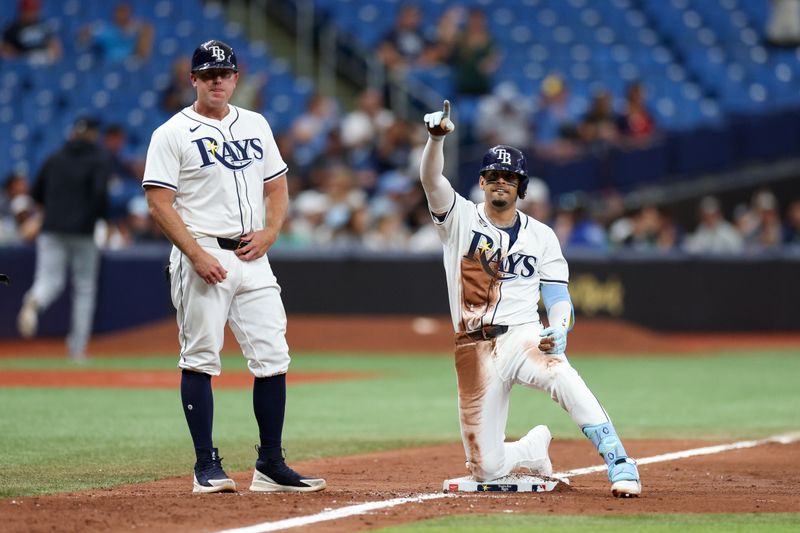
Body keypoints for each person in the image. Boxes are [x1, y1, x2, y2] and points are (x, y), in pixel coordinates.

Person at [419, 100, 641, 498]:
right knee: (485, 468)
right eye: (493, 175)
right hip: (473, 348)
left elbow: (558, 297)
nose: (500, 181)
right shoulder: (460, 219)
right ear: (482, 182)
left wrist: (557, 328)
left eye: (509, 176)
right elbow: (432, 180)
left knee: (561, 374)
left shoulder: (542, 235)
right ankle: (531, 447)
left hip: (522, 336)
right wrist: (435, 141)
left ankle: (620, 460)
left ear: (521, 186)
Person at [142, 39, 326, 494]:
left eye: (223, 73)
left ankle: (270, 464)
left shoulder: (256, 124)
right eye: (207, 74)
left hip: (253, 253)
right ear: (194, 80)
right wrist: (196, 254)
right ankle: (205, 465)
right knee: (201, 357)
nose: (216, 81)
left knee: (273, 357)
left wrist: (271, 232)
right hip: (202, 252)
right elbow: (158, 202)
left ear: (236, 78)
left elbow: (278, 188)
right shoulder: (171, 132)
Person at [17, 117, 111, 361]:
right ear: (92, 134)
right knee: (84, 287)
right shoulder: (98, 159)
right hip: (83, 232)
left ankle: (36, 299)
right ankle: (77, 349)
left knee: (49, 280)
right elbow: (100, 194)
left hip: (51, 228)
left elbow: (36, 194)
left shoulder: (54, 158)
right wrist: (98, 219)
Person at [79, 2, 153, 64]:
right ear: (114, 13)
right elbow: (82, 39)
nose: (122, 15)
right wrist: (88, 30)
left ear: (129, 13)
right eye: (119, 12)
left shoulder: (137, 29)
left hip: (129, 64)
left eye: (124, 12)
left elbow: (144, 52)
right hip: (107, 65)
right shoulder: (105, 30)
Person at [0, 0, 62, 66]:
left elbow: (56, 49)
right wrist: (24, 57)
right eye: (29, 10)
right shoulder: (13, 29)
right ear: (22, 11)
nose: (32, 14)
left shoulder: (44, 27)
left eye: (34, 10)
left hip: (43, 67)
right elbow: (4, 51)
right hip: (22, 67)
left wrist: (46, 56)